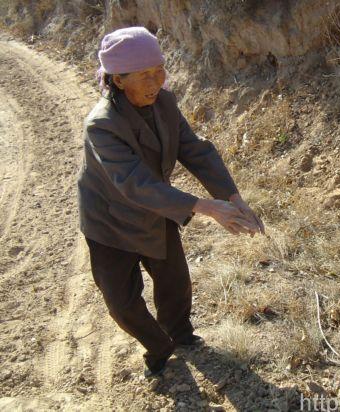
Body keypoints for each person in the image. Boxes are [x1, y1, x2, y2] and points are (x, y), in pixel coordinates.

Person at [76, 26, 265, 377]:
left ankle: (179, 334)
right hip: (110, 220)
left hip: (157, 208)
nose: (155, 82)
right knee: (121, 302)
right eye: (144, 75)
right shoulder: (101, 125)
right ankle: (159, 345)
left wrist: (233, 198)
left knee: (175, 282)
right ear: (118, 80)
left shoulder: (165, 102)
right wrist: (206, 208)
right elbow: (135, 183)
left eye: (159, 70)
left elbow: (195, 151)